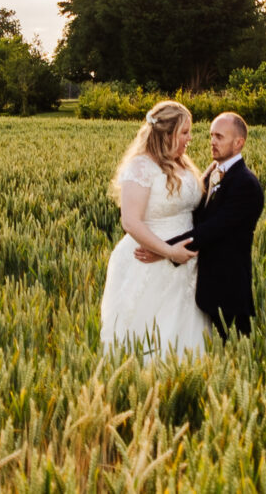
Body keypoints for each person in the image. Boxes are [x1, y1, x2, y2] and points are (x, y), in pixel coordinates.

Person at [96, 99, 211, 361]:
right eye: (184, 132)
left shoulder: (181, 162)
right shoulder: (141, 167)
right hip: (149, 261)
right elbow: (131, 222)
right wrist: (169, 252)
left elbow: (188, 201)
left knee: (186, 331)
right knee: (151, 336)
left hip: (187, 261)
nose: (190, 138)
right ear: (166, 133)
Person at [138, 109, 264, 338]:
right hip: (202, 285)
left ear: (239, 143)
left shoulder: (245, 184)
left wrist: (164, 249)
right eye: (211, 135)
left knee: (234, 353)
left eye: (219, 137)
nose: (212, 142)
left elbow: (212, 229)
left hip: (228, 289)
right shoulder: (214, 172)